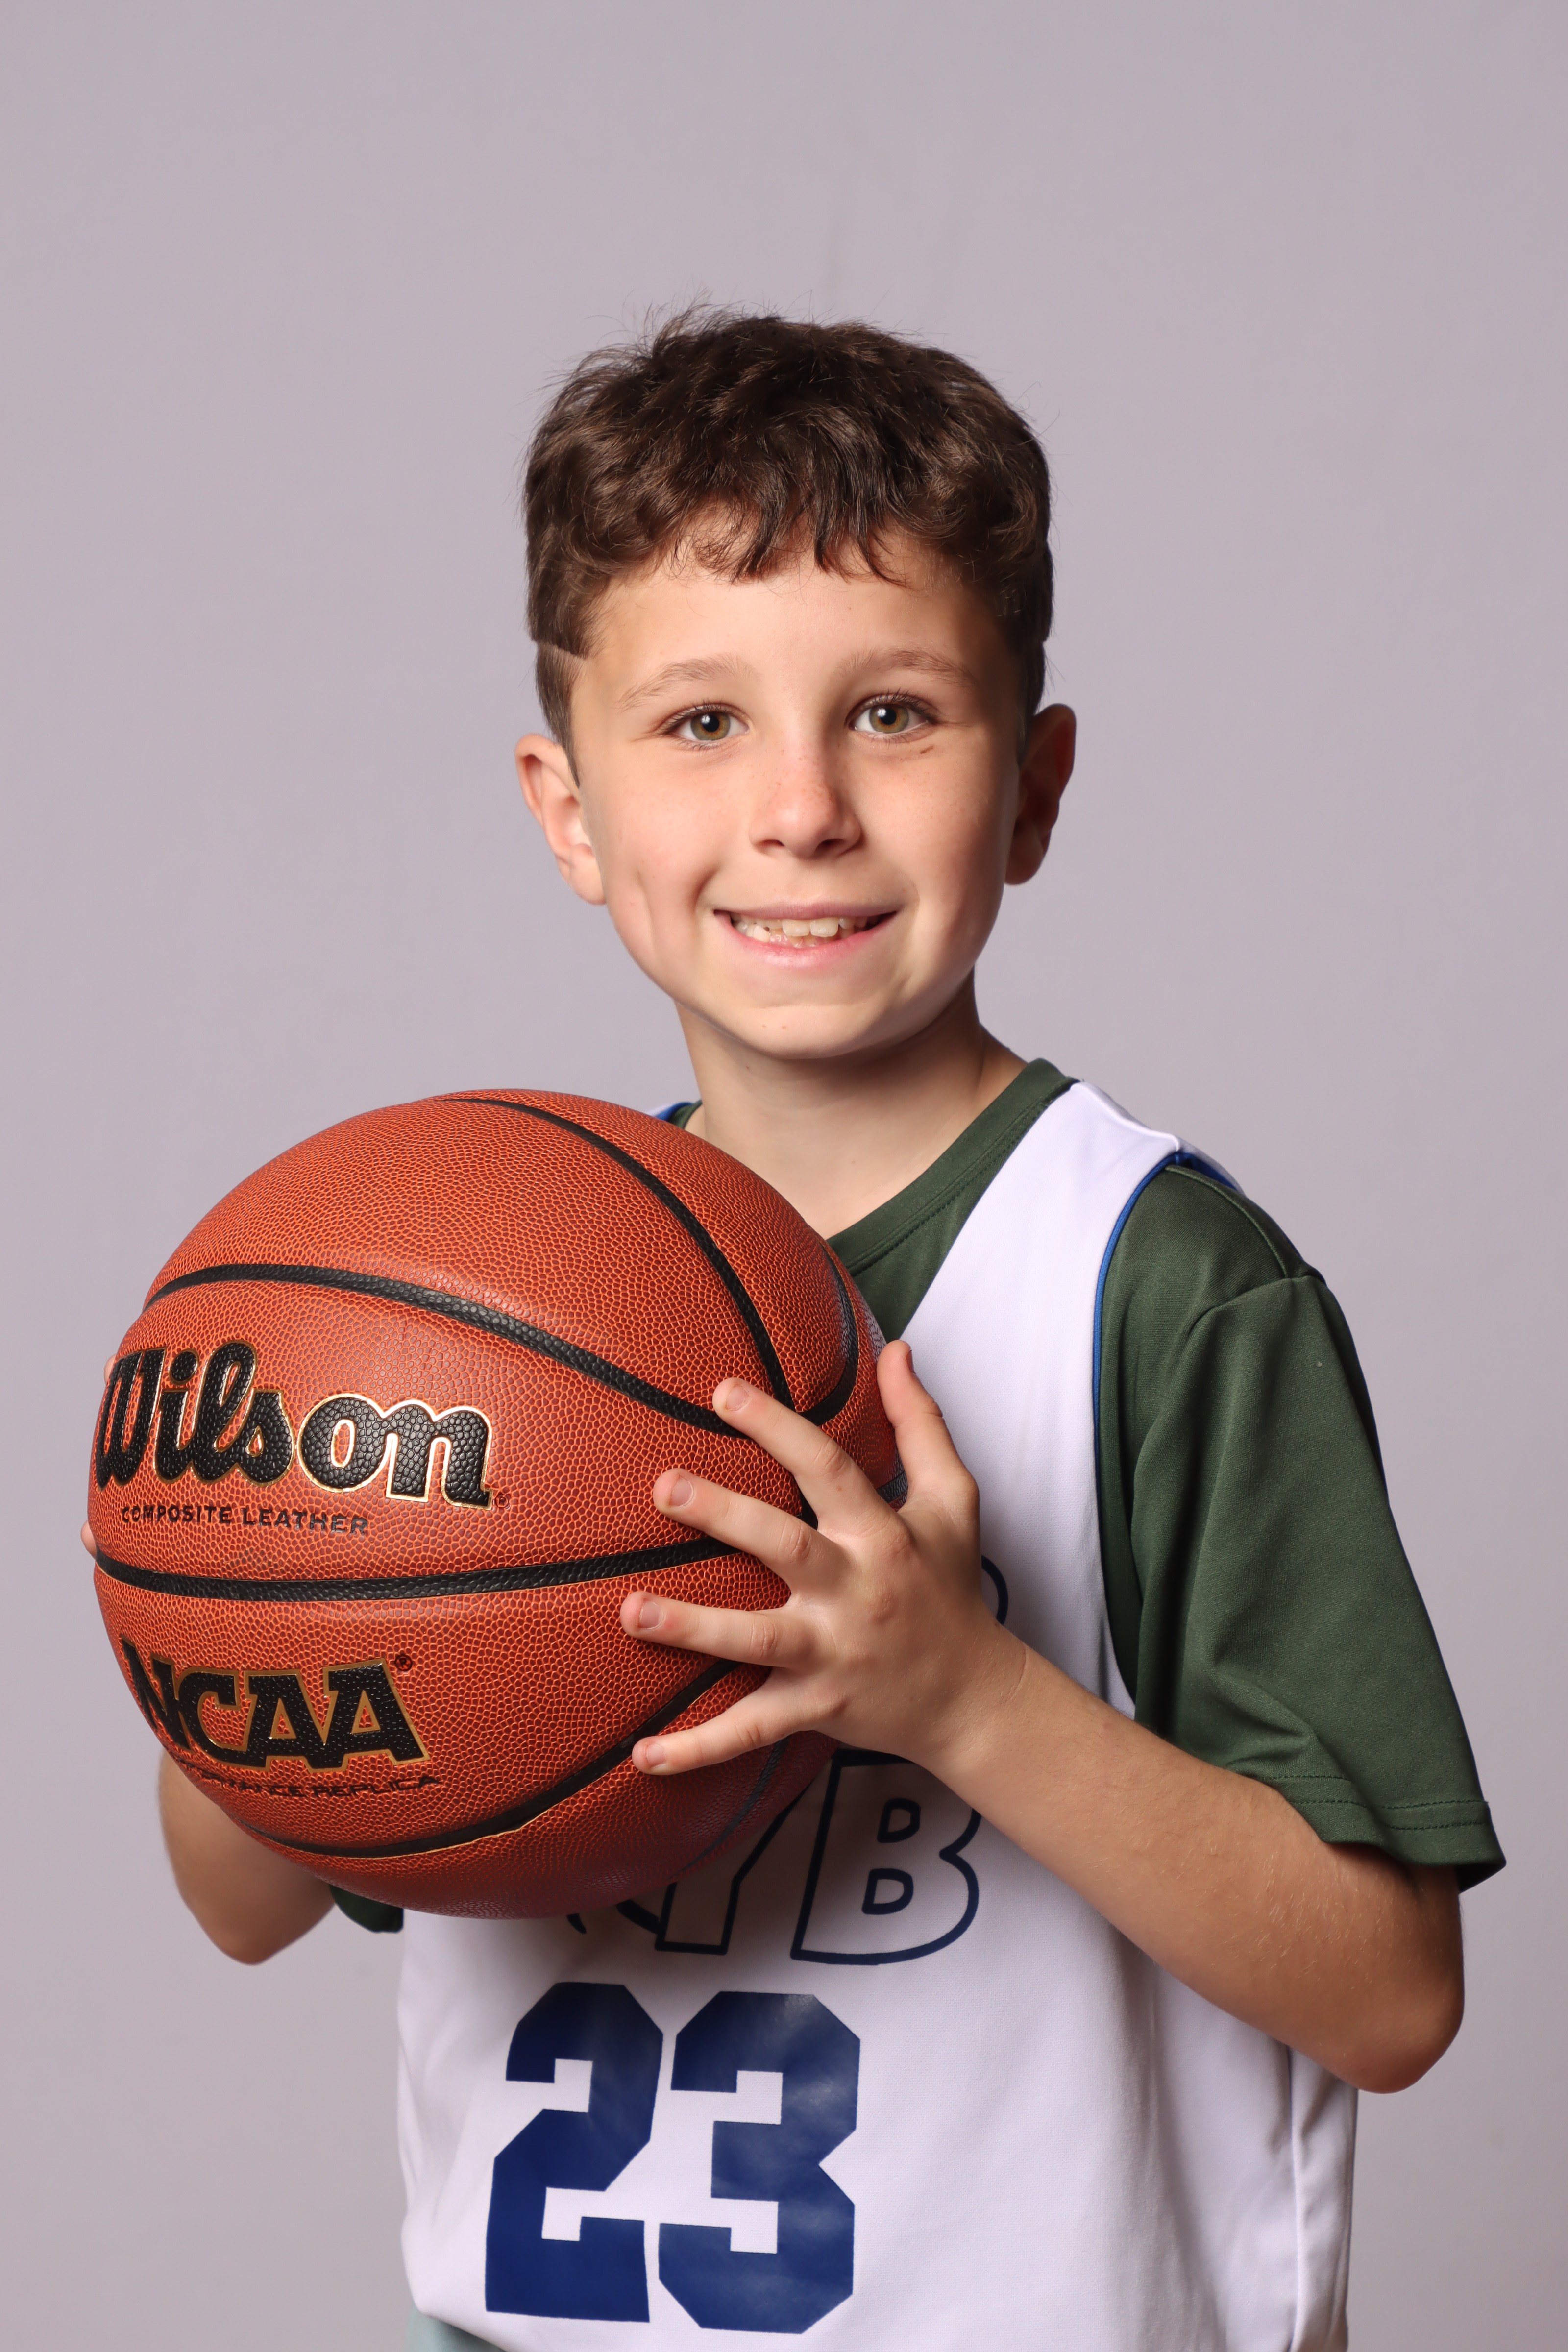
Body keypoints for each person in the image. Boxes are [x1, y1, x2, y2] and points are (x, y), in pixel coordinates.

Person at [121, 312, 1503, 2351]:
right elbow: (236, 1904)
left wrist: (963, 1699)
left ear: (1031, 787)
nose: (799, 808)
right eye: (699, 722)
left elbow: (1387, 2000)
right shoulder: (484, 1309)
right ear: (567, 808)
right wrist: (279, 1599)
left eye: (892, 714)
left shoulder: (1158, 1284)